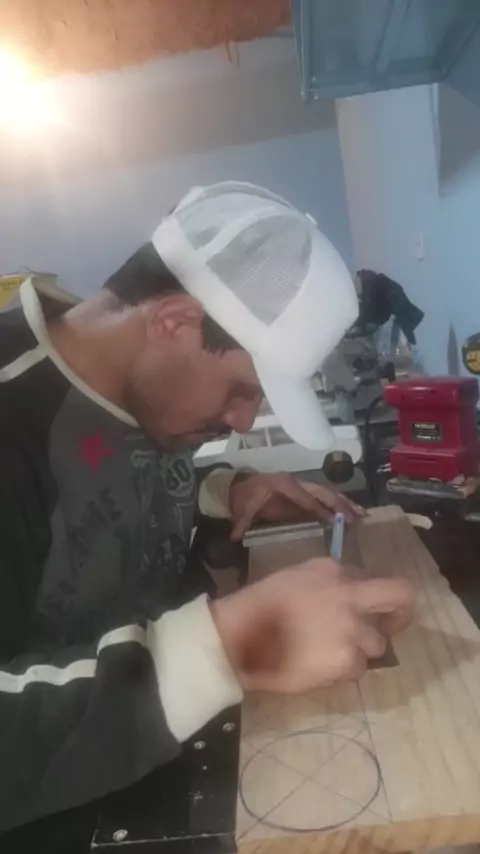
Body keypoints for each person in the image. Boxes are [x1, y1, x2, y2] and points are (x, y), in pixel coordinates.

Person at [0, 182, 412, 844]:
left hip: (165, 768)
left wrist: (223, 491)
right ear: (174, 322)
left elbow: (100, 494)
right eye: (243, 390)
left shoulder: (137, 388)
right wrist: (227, 649)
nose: (244, 421)